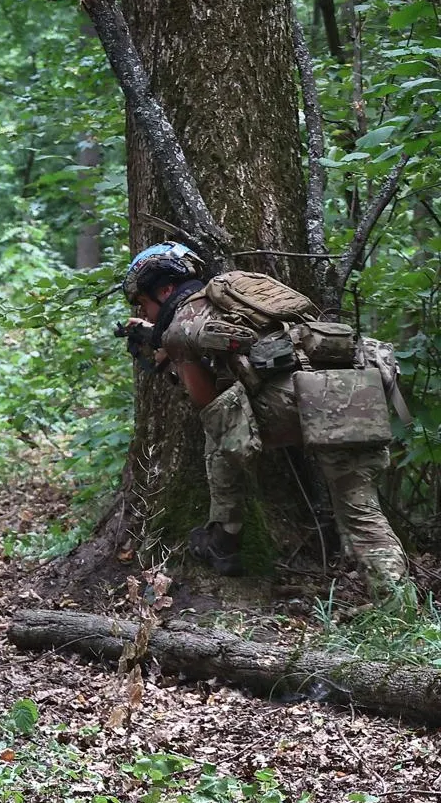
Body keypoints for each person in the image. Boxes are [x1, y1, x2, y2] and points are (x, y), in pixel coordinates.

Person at [119, 242, 408, 590]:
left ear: (165, 289)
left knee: (219, 422)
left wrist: (167, 353)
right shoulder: (236, 294)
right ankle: (396, 607)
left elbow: (207, 403)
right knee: (363, 515)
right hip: (355, 388)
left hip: (304, 403)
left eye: (142, 302)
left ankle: (225, 536)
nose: (144, 312)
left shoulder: (179, 329)